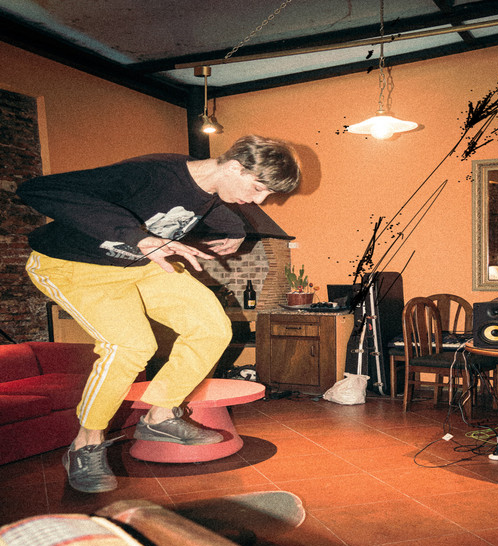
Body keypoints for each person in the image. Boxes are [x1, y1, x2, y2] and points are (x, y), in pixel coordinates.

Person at [18, 135, 301, 493]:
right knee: (130, 347)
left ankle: (160, 415)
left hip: (140, 265)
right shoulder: (150, 173)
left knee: (212, 328)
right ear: (234, 167)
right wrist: (136, 237)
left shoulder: (208, 185)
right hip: (73, 266)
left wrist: (236, 228)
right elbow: (37, 189)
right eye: (258, 188)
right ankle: (85, 445)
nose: (259, 200)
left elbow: (205, 203)